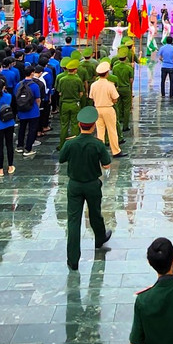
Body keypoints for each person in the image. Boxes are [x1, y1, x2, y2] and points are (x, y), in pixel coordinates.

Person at [59, 105, 113, 270]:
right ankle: (99, 238)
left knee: (73, 221)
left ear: (79, 125)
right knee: (95, 213)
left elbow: (61, 159)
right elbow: (106, 165)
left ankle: (73, 259)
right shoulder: (97, 144)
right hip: (91, 185)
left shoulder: (71, 143)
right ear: (94, 124)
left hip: (74, 185)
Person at [89, 61, 122, 157]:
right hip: (108, 108)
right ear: (107, 73)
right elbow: (115, 98)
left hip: (97, 108)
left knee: (100, 131)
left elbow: (91, 97)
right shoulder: (110, 85)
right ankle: (115, 151)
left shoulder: (93, 85)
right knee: (112, 130)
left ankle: (100, 150)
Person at [14, 69, 43, 157]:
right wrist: (37, 107)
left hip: (22, 111)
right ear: (32, 73)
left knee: (22, 128)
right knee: (32, 130)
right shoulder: (35, 85)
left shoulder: (19, 85)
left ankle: (19, 146)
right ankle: (28, 149)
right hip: (33, 111)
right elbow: (38, 99)